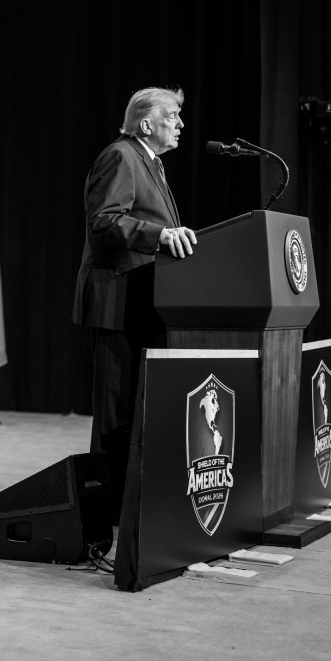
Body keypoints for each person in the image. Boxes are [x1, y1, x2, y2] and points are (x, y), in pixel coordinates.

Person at [71, 86, 198, 518]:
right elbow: (105, 221)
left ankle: (131, 505)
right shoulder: (122, 156)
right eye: (173, 116)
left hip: (144, 301)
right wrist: (161, 235)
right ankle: (102, 515)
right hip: (117, 300)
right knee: (115, 415)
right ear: (147, 123)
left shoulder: (152, 164)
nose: (180, 124)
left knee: (134, 410)